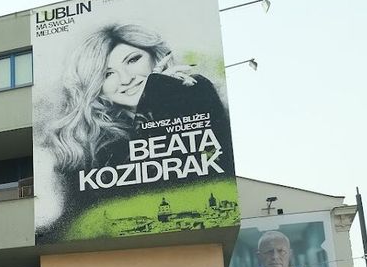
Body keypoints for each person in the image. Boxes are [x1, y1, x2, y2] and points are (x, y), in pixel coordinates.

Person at [38, 23, 234, 239]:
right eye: (107, 74)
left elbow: (216, 170)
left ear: (155, 57)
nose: (125, 79)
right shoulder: (88, 142)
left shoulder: (195, 92)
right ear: (95, 85)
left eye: (132, 60)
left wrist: (164, 97)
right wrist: (155, 97)